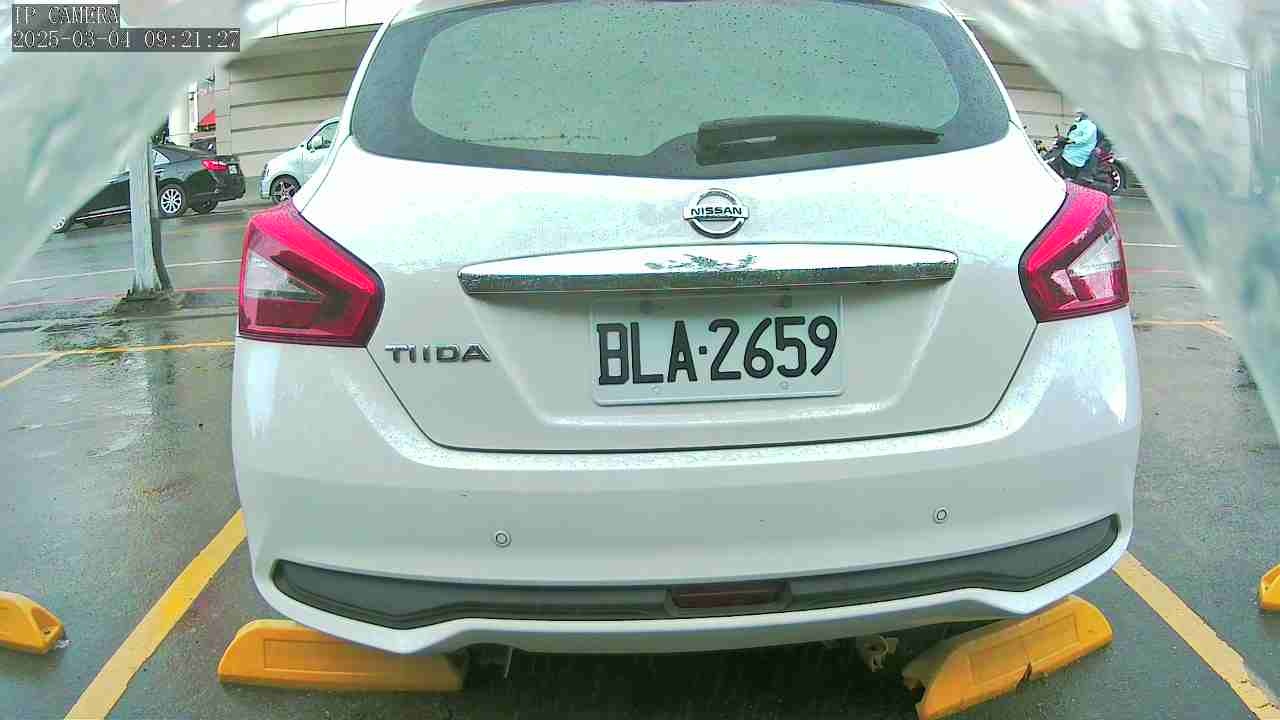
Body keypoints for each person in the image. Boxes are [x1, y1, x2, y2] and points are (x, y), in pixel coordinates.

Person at [1057, 109, 1099, 179]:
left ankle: (1070, 178)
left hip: (1078, 152)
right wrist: (1065, 139)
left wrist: (1072, 141)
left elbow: (1085, 138)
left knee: (1068, 164)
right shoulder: (1078, 121)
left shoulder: (1090, 126)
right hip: (1069, 150)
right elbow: (1073, 133)